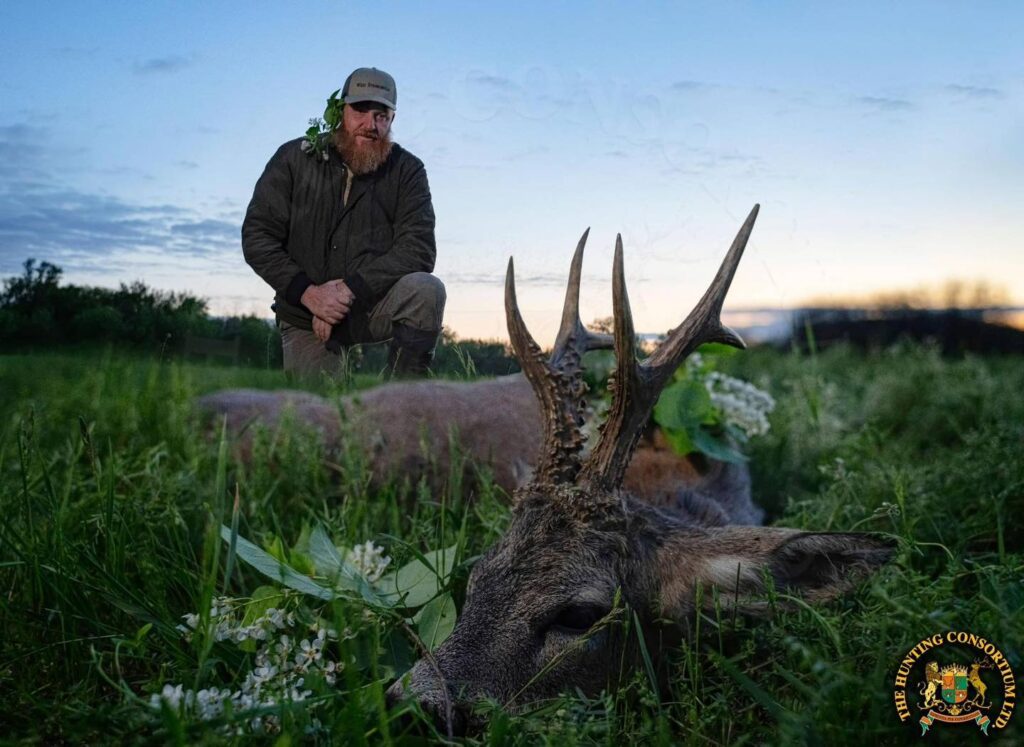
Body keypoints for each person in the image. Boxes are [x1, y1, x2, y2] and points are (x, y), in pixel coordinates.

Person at [242, 67, 445, 379]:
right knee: (318, 416)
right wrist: (309, 294)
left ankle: (400, 398)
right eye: (360, 110)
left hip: (369, 306)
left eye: (381, 115)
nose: (370, 124)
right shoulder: (294, 159)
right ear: (340, 111)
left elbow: (418, 249)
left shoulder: (408, 171)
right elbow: (258, 236)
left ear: (391, 120)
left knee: (426, 291)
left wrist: (350, 290)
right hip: (304, 313)